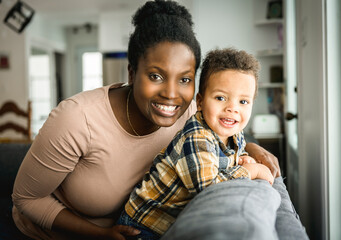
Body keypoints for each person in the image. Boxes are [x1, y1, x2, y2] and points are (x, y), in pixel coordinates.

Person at [11, 1, 280, 240]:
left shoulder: (188, 113)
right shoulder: (76, 120)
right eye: (156, 76)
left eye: (184, 79)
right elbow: (26, 198)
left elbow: (220, 134)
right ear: (131, 72)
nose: (172, 94)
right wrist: (101, 235)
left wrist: (252, 149)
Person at [116, 48, 274, 239]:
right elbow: (208, 190)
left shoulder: (235, 133)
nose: (232, 108)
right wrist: (251, 171)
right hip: (144, 224)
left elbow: (223, 162)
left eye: (243, 101)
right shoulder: (197, 137)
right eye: (220, 98)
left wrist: (241, 159)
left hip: (169, 223)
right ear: (200, 101)